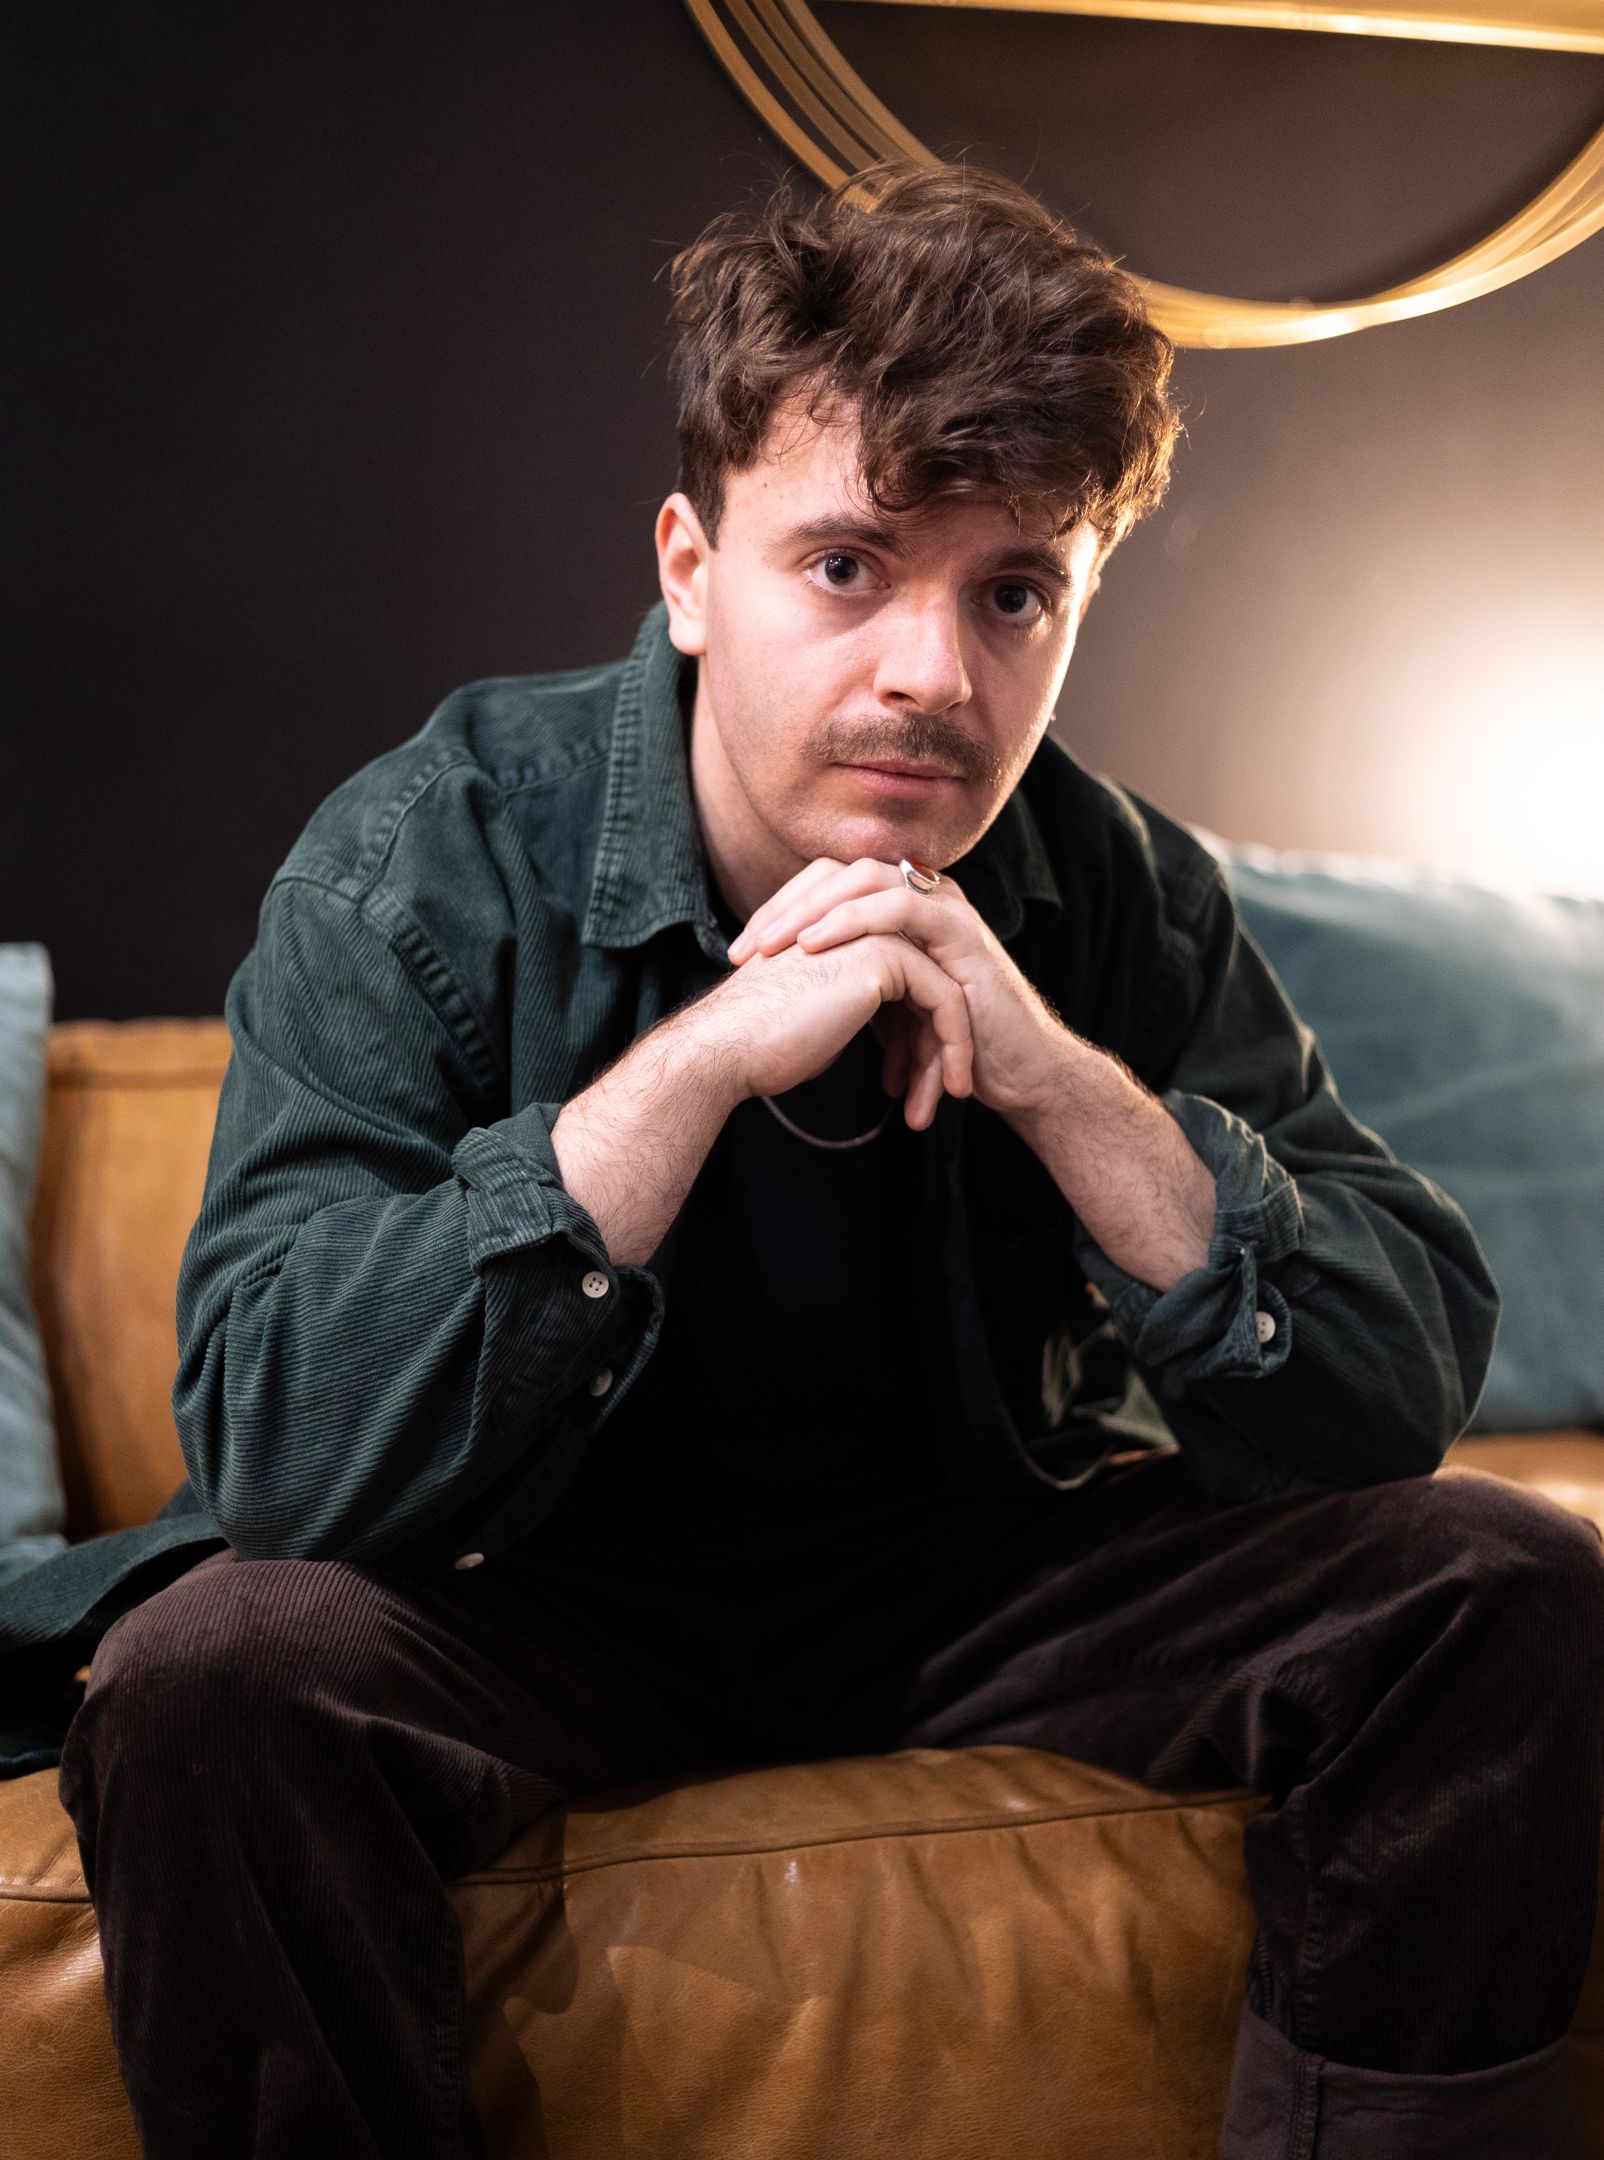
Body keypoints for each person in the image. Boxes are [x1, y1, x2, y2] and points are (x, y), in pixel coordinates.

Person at [50, 158, 1603, 2159]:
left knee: (1503, 1582)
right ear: (692, 571)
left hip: (972, 1571)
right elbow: (277, 1440)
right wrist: (693, 1069)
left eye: (1012, 592)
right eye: (850, 566)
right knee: (207, 1679)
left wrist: (1058, 1082)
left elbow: (1392, 1389)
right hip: (534, 1594)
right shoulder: (429, 851)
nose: (932, 678)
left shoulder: (1113, 886)